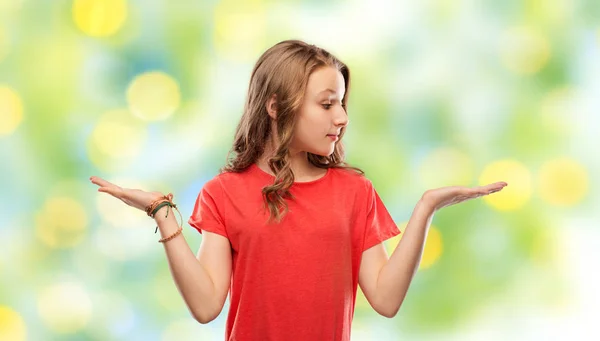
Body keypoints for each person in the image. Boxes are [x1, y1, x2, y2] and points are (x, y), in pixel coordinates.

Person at [90, 39, 507, 341]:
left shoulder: (354, 192)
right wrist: (162, 212)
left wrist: (426, 209)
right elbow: (205, 306)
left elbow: (385, 298)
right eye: (326, 104)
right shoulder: (223, 193)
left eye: (342, 103)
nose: (341, 117)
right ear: (275, 107)